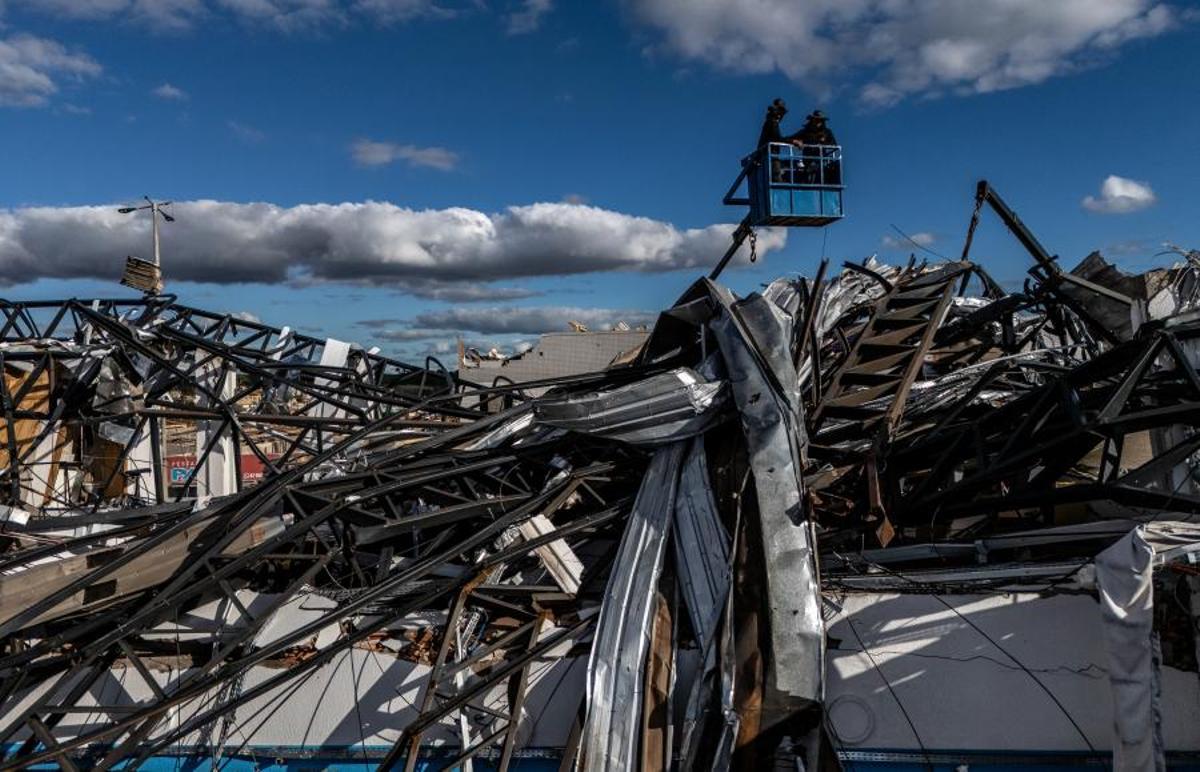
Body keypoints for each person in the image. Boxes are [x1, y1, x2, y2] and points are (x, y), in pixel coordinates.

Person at [797, 110, 840, 184]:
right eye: (816, 120)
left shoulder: (827, 132)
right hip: (808, 160)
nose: (818, 122)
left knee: (821, 167)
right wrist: (796, 141)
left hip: (821, 160)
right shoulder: (806, 132)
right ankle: (808, 181)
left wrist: (823, 143)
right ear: (812, 120)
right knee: (811, 168)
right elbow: (791, 138)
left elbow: (834, 145)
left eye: (820, 120)